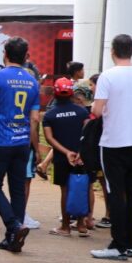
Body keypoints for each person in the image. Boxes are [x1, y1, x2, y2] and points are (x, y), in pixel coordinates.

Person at [90, 34, 132, 260]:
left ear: (112, 51)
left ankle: (118, 244)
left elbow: (97, 111)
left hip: (113, 142)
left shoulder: (107, 77)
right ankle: (129, 244)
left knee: (116, 193)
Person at [0, 37, 40, 253]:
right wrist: (35, 145)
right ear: (26, 56)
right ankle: (13, 238)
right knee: (18, 190)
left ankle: (14, 225)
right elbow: (34, 119)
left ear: (5, 54)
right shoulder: (33, 81)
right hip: (22, 141)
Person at [42, 77, 91, 237]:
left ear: (55, 94)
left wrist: (66, 152)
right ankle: (82, 224)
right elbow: (87, 134)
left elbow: (49, 138)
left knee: (65, 190)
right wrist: (80, 153)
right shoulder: (82, 111)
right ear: (72, 93)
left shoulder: (50, 115)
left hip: (63, 158)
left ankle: (65, 226)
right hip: (82, 157)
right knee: (83, 186)